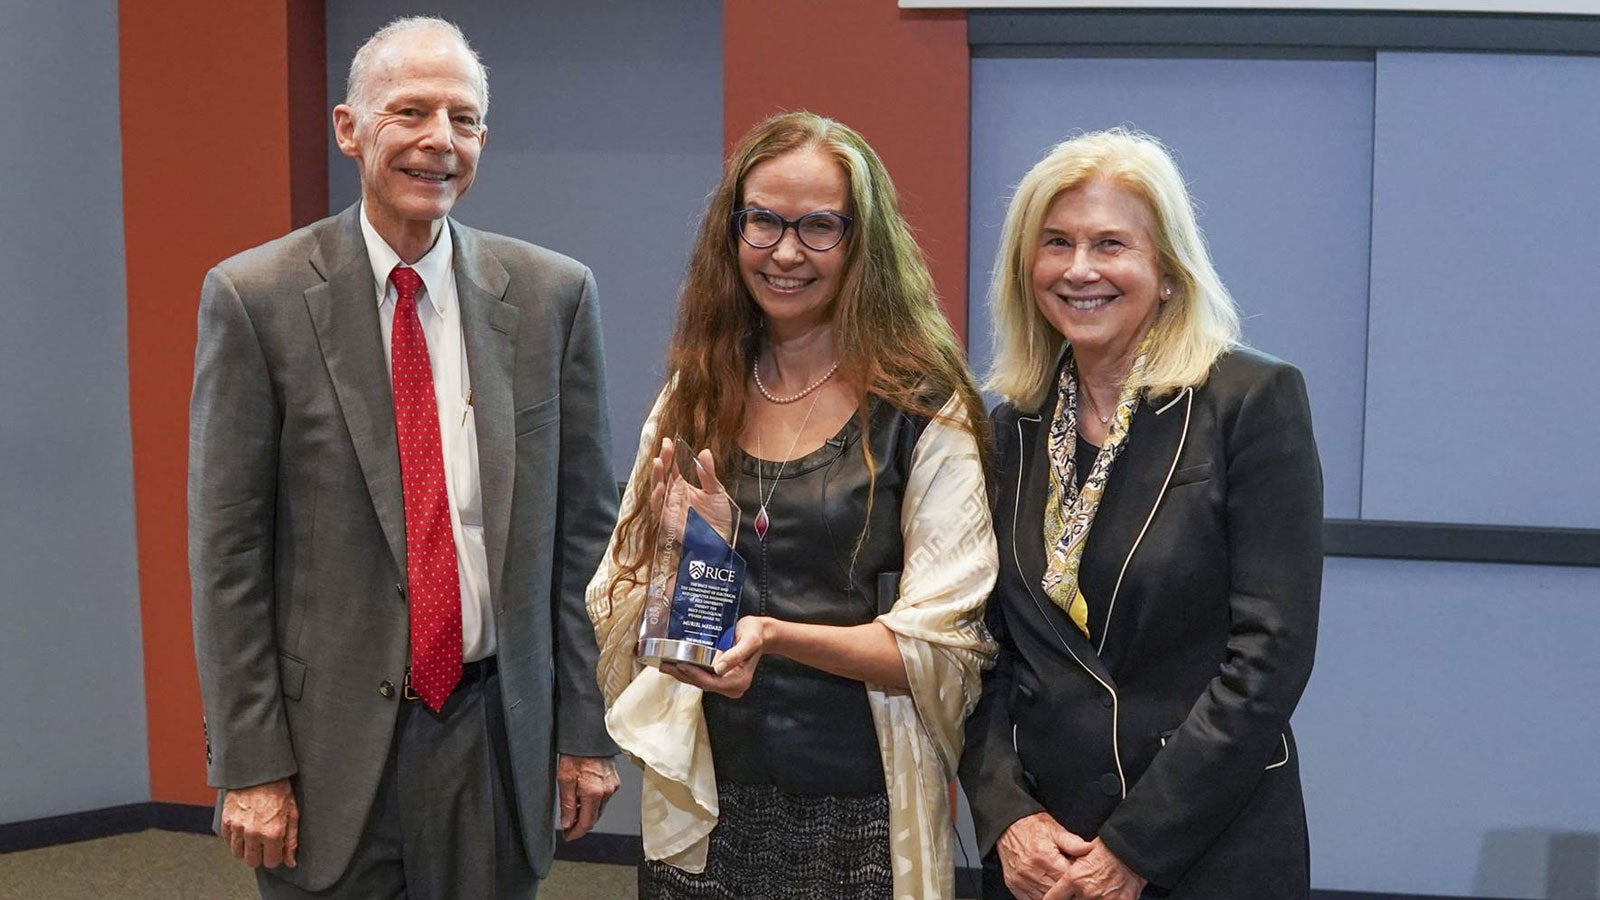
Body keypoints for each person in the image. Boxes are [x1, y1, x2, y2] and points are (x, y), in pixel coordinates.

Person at [188, 17, 620, 899]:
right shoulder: (256, 298)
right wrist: (251, 761)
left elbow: (584, 539)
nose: (439, 141)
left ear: (483, 142)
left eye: (463, 120)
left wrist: (584, 730)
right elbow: (228, 557)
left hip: (497, 736)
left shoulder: (551, 298)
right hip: (326, 752)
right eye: (411, 112)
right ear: (349, 128)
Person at [584, 111, 997, 899]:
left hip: (861, 813)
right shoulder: (694, 398)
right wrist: (697, 566)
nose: (784, 251)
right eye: (763, 221)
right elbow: (626, 606)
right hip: (704, 804)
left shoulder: (924, 410)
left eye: (818, 227)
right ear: (731, 230)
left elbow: (942, 644)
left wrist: (771, 634)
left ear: (862, 242)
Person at [959, 128, 1323, 900]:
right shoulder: (1007, 429)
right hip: (1043, 857)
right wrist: (1005, 816)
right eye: (1056, 243)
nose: (1080, 268)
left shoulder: (1250, 403)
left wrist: (1133, 849)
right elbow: (976, 650)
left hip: (1206, 844)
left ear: (1165, 270)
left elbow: (1269, 658)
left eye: (1110, 244)